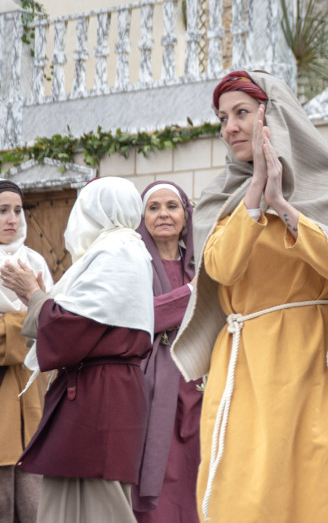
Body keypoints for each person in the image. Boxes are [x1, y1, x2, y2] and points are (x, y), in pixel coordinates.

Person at [170, 70, 328, 522]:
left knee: (317, 490)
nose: (229, 128)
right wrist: (256, 193)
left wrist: (286, 208)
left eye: (241, 113)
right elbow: (220, 267)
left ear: (273, 116)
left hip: (316, 363)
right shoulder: (220, 197)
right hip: (247, 365)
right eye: (222, 118)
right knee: (245, 497)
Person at [0, 176, 154, 523]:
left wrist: (33, 296)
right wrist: (39, 300)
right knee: (70, 502)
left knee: (101, 505)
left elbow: (71, 328)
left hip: (100, 395)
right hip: (95, 390)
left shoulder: (117, 254)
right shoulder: (118, 252)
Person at [132, 181, 200, 523]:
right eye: (154, 207)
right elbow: (140, 317)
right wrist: (192, 294)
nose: (163, 214)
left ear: (185, 216)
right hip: (152, 386)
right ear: (142, 217)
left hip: (197, 384)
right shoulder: (133, 265)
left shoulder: (199, 267)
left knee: (196, 472)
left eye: (172, 206)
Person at [0, 180, 53, 523]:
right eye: (2, 210)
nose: (13, 219)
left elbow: (53, 325)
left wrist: (14, 325)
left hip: (33, 391)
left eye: (18, 210)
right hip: (3, 391)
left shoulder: (34, 262)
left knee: (34, 495)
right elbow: (40, 320)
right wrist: (29, 319)